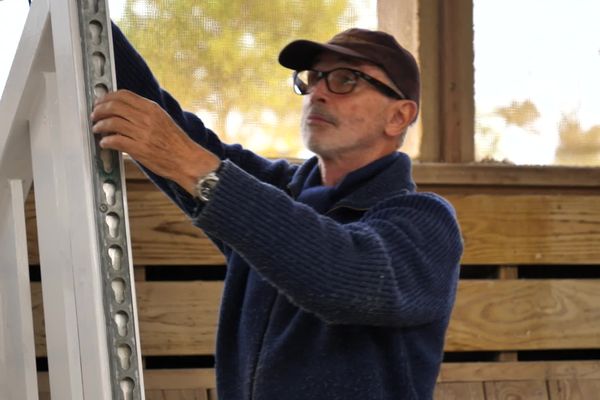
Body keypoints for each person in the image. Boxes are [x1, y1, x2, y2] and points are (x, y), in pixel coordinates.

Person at [92, 24, 463, 400]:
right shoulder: (273, 194)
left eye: (345, 80)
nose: (317, 92)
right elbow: (161, 121)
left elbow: (343, 277)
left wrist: (200, 171)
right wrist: (82, 21)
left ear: (399, 116)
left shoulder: (425, 223)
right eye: (313, 78)